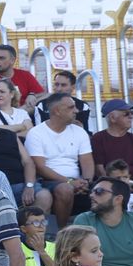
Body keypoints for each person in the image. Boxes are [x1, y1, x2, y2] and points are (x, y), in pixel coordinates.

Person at [27, 92, 95, 229]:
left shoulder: (79, 132)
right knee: (65, 189)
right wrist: (70, 182)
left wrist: (86, 182)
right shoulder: (36, 133)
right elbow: (41, 167)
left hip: (77, 180)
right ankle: (61, 232)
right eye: (71, 107)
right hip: (48, 181)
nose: (76, 111)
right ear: (57, 111)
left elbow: (87, 162)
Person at [89, 99, 133, 179]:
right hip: (110, 184)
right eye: (126, 114)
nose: (131, 116)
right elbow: (99, 170)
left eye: (132, 113)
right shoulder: (98, 139)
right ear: (112, 118)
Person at [0, 43, 46, 107]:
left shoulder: (25, 75)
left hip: (26, 112)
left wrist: (32, 95)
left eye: (1, 58)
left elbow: (42, 94)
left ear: (12, 60)